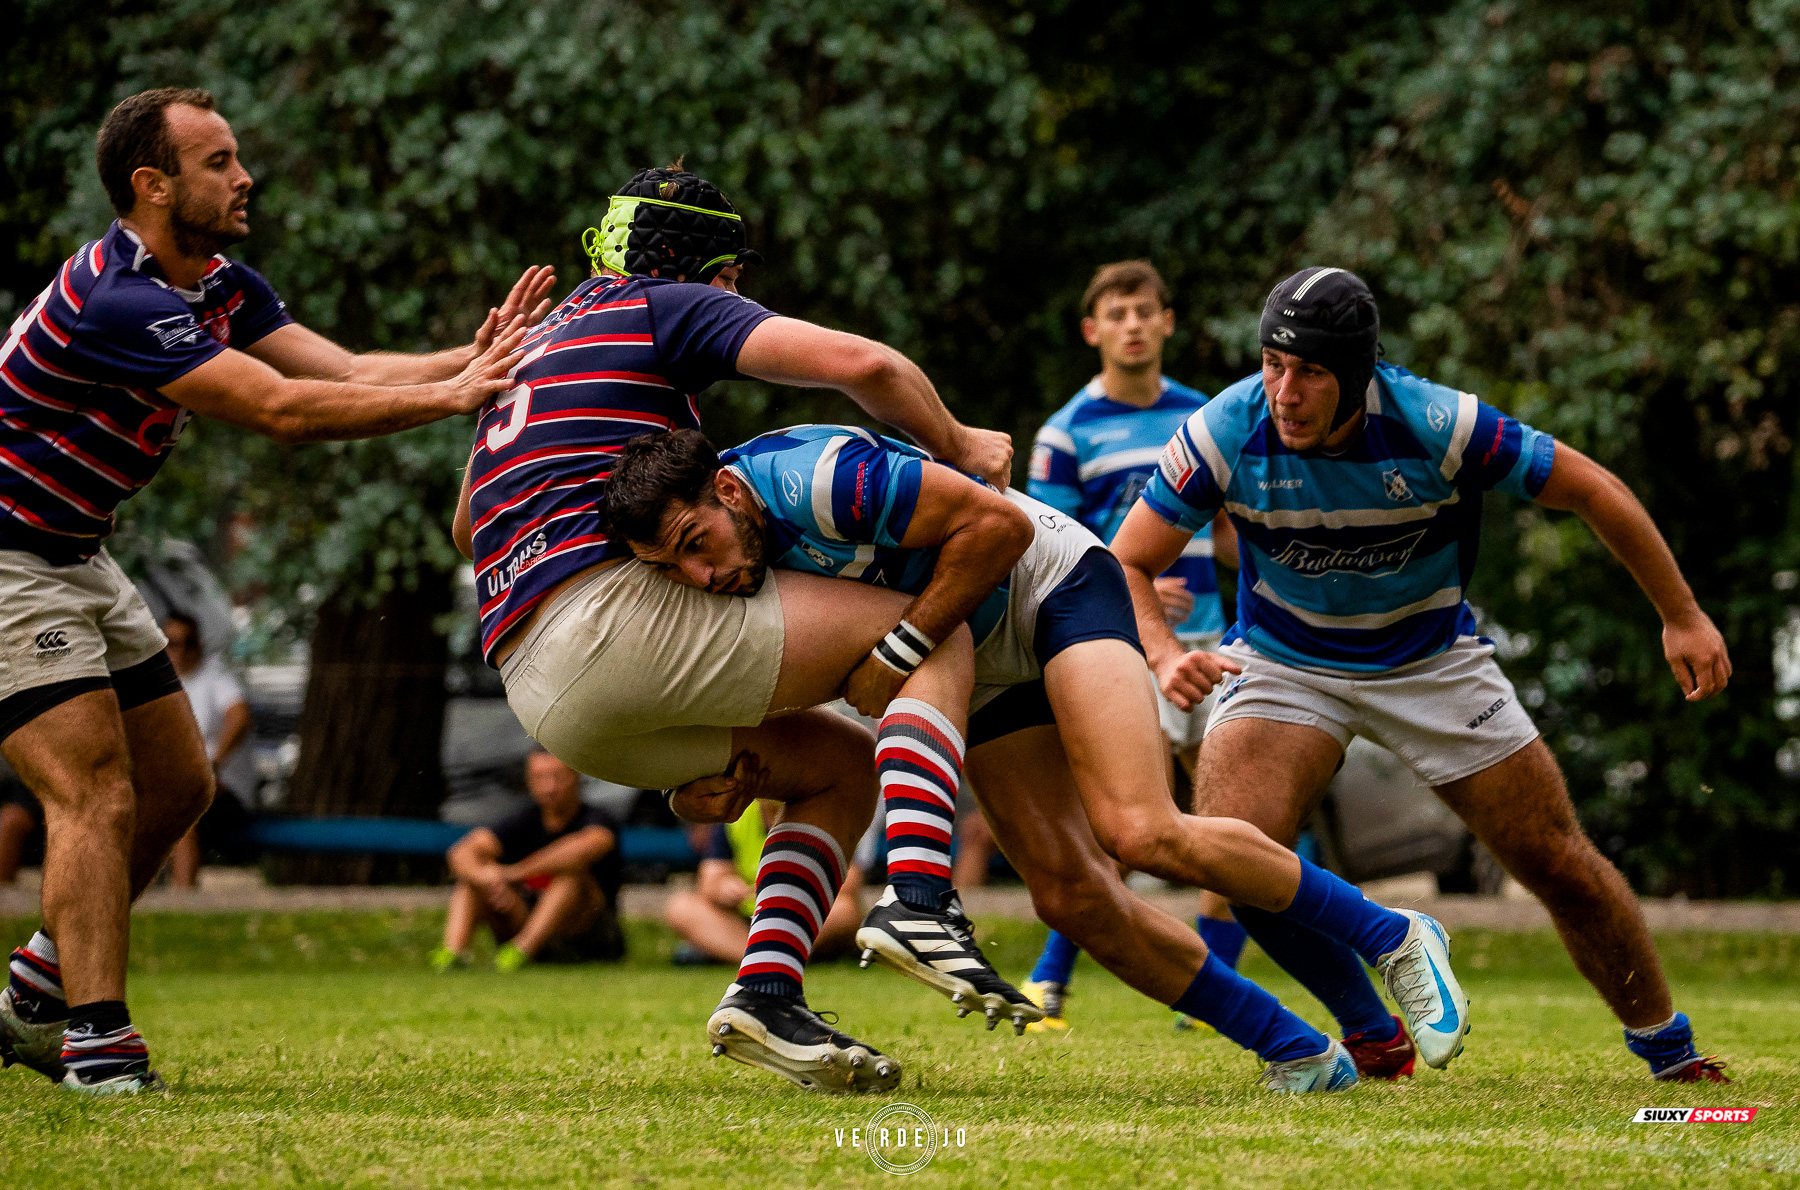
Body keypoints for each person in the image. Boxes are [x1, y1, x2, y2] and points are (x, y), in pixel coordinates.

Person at [604, 424, 1475, 1093]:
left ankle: (1395, 934)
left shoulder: (817, 477)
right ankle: (1299, 1052)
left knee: (1140, 831)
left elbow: (995, 526)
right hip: (967, 657)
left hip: (1050, 586)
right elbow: (764, 726)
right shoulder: (734, 568)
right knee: (1068, 894)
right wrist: (707, 795)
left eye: (695, 541)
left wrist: (903, 647)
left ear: (728, 489)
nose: (700, 575)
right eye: (671, 564)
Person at [0, 87, 545, 1096]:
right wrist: (452, 398)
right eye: (218, 162)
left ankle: (38, 981)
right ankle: (97, 1044)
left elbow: (340, 366)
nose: (243, 176)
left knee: (180, 783)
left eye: (236, 156)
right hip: (7, 561)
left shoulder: (214, 282)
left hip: (72, 551)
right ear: (151, 185)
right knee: (92, 791)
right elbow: (285, 411)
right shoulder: (119, 300)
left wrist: (475, 359)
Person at [451, 163, 1026, 1094]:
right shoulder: (662, 306)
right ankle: (921, 897)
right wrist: (960, 444)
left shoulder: (538, 348)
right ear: (695, 268)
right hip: (603, 621)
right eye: (730, 278)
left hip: (533, 680)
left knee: (836, 767)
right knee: (934, 635)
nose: (734, 298)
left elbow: (466, 528)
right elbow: (866, 366)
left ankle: (765, 992)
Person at [1118, 265, 1731, 1083]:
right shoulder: (1225, 429)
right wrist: (1162, 653)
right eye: (1272, 364)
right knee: (1234, 855)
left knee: (1554, 858)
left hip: (1432, 661)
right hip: (1284, 662)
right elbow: (1127, 561)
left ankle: (1669, 1052)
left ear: (1359, 376)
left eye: (1310, 372)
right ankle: (1372, 1031)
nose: (1284, 391)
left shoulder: (1441, 423)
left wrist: (1681, 614)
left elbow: (1595, 489)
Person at [1021, 259, 1249, 1035]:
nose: (1132, 324)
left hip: (1216, 644)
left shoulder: (1207, 418)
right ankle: (1048, 981)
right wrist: (1134, 588)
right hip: (1120, 647)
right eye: (1116, 313)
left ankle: (1212, 1000)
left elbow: (1227, 536)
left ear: (1167, 322)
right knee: (1128, 824)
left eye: (1145, 311)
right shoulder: (1063, 435)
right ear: (1093, 331)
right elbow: (1050, 549)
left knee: (1233, 817)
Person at [432, 749, 624, 972]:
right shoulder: (522, 821)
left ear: (577, 777)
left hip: (585, 932)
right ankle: (453, 953)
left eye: (558, 777)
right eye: (540, 778)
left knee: (571, 876)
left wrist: (514, 873)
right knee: (471, 880)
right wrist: (488, 879)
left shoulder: (598, 821)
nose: (550, 787)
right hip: (523, 917)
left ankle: (521, 951)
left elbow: (582, 849)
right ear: (529, 782)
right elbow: (460, 852)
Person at [663, 799, 870, 965]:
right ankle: (770, 958)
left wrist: (798, 888)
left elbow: (850, 880)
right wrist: (724, 887)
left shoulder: (822, 808)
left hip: (803, 915)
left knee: (844, 911)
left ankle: (763, 958)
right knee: (681, 907)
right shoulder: (738, 811)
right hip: (747, 918)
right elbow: (710, 879)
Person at [162, 613, 254, 889]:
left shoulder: (216, 678)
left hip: (224, 791)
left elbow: (239, 716)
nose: (177, 651)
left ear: (198, 645)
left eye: (185, 643)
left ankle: (182, 901)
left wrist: (215, 761)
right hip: (173, 789)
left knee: (183, 811)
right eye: (169, 643)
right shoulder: (157, 686)